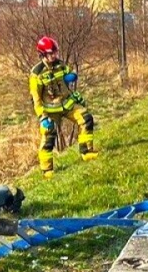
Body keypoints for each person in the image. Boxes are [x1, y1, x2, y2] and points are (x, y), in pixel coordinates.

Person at [29, 36, 97, 178]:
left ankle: (87, 152)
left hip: (67, 104)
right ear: (43, 54)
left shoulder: (60, 64)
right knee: (48, 136)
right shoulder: (37, 73)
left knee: (86, 118)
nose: (54, 56)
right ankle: (47, 170)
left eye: (55, 52)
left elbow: (70, 71)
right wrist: (42, 116)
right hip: (50, 110)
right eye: (51, 53)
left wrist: (72, 75)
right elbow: (36, 98)